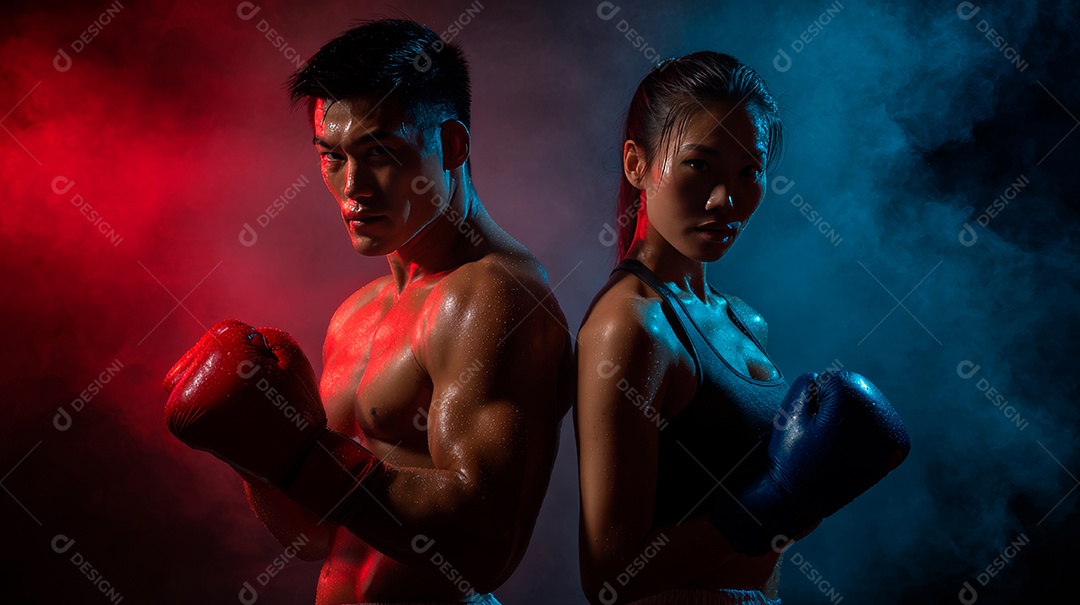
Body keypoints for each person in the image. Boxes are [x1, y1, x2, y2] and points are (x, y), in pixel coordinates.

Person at [162, 19, 574, 605]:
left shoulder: (493, 295)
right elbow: (316, 537)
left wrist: (301, 453)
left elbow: (486, 546)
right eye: (332, 157)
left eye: (380, 154)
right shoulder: (356, 314)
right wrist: (260, 461)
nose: (352, 186)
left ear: (452, 146)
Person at [574, 52, 910, 605]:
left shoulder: (743, 321)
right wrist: (779, 498)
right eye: (699, 165)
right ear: (637, 165)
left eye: (747, 173)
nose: (723, 200)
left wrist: (789, 502)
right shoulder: (630, 325)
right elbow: (610, 575)